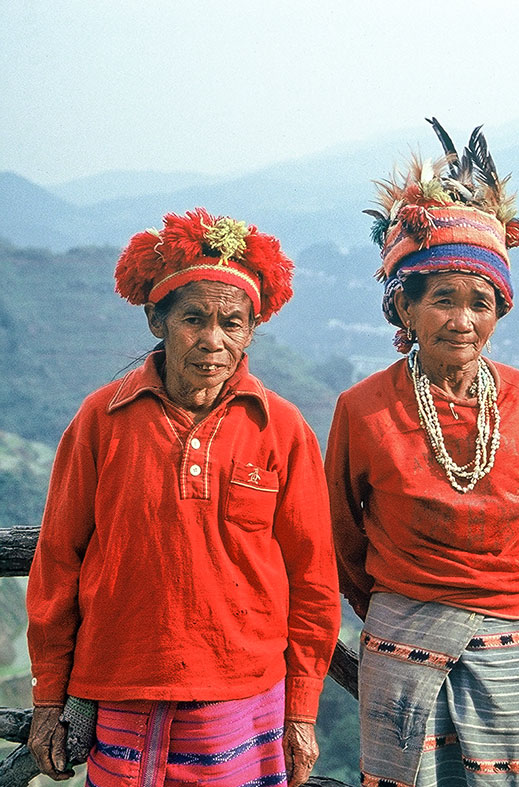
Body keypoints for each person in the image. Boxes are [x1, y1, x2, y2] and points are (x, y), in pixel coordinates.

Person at [25, 208, 341, 787]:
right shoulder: (101, 420)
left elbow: (313, 578)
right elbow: (57, 560)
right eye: (194, 318)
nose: (213, 340)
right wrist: (50, 695)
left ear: (250, 330)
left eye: (233, 323)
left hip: (242, 693)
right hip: (119, 687)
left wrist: (301, 708)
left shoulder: (282, 429)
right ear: (156, 320)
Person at [327, 122, 519, 786]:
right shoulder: (362, 408)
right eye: (442, 300)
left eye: (480, 303)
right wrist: (397, 604)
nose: (462, 319)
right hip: (404, 635)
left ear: (500, 311)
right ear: (404, 306)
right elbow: (342, 535)